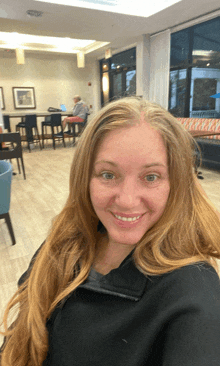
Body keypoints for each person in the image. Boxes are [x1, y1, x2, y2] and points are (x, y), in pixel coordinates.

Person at [1, 97, 220, 366]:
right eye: (108, 175)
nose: (127, 200)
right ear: (85, 178)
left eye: (150, 177)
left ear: (175, 184)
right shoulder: (61, 245)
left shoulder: (193, 290)